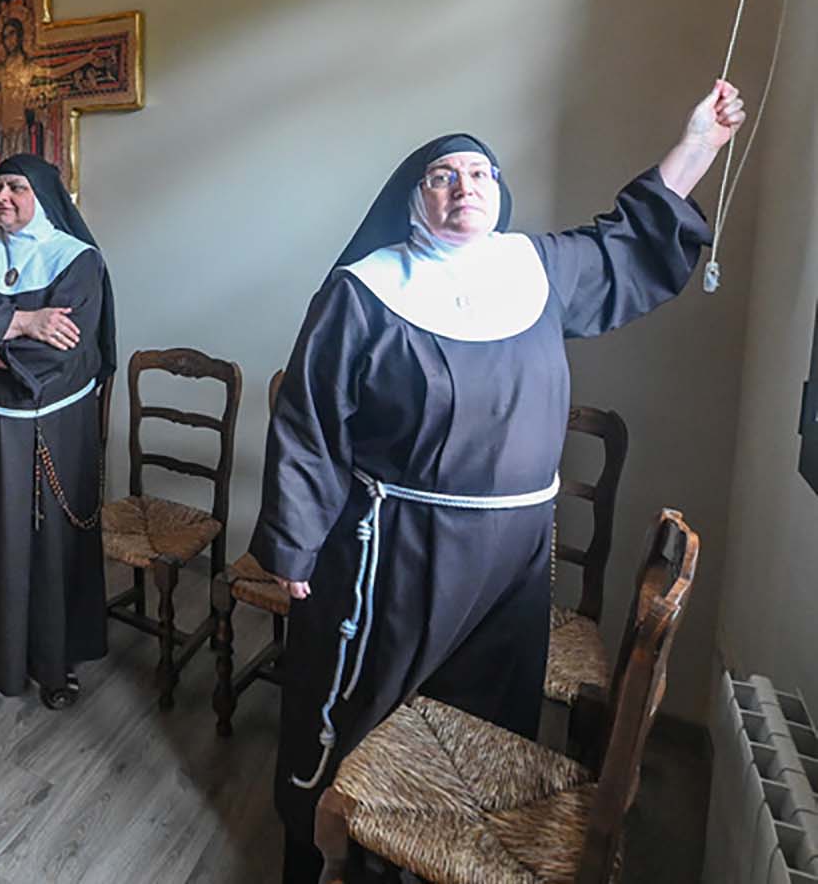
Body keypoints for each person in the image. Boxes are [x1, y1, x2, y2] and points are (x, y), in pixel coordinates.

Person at [250, 81, 746, 881]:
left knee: (488, 717)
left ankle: (453, 860)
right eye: (443, 176)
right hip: (401, 550)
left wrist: (700, 145)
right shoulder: (365, 290)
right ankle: (356, 857)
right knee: (374, 713)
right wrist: (295, 547)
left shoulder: (538, 267)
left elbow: (628, 241)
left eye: (479, 174)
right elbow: (310, 419)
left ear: (499, 192)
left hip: (514, 555)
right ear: (414, 201)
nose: (464, 188)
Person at [0, 153, 116, 710]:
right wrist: (21, 322)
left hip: (51, 430)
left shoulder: (78, 261)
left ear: (43, 194)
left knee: (47, 546)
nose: (3, 198)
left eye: (16, 187)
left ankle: (54, 663)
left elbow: (68, 352)